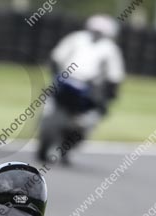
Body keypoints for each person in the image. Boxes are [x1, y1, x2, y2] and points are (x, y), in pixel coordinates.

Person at [39, 14, 125, 163]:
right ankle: (51, 135)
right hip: (66, 82)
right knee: (49, 102)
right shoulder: (77, 39)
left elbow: (114, 77)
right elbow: (56, 59)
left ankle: (71, 139)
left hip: (89, 89)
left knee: (94, 114)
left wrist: (108, 96)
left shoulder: (109, 49)